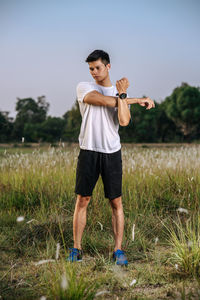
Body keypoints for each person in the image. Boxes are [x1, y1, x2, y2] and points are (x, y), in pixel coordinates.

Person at [67, 50, 155, 265]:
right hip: (88, 150)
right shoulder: (84, 87)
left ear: (108, 66)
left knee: (116, 202)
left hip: (112, 152)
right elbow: (103, 101)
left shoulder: (119, 93)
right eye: (91, 68)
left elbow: (124, 121)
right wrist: (132, 98)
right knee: (83, 199)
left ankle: (118, 250)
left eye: (97, 67)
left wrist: (124, 96)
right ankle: (76, 249)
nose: (94, 72)